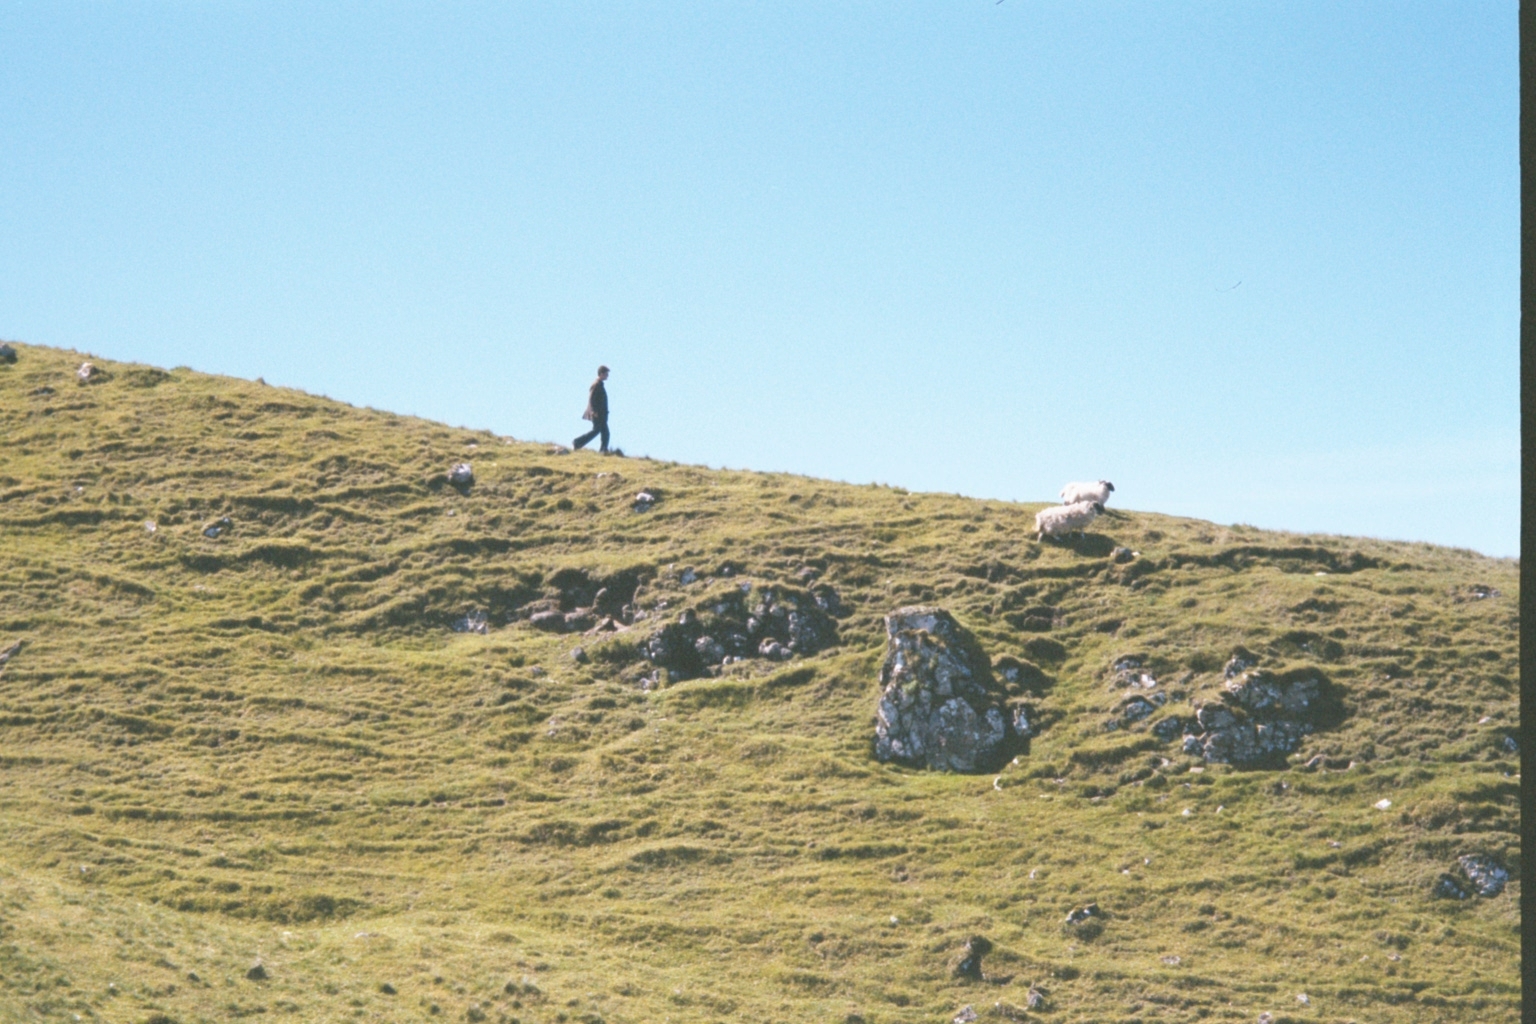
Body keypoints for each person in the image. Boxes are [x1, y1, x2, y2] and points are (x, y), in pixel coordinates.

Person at [573, 365, 610, 452]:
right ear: (601, 374)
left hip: (601, 414)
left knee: (605, 432)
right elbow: (591, 399)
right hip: (597, 414)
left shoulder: (600, 385)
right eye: (606, 374)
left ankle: (603, 449)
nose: (607, 376)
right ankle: (577, 442)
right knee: (596, 431)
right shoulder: (596, 385)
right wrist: (594, 412)